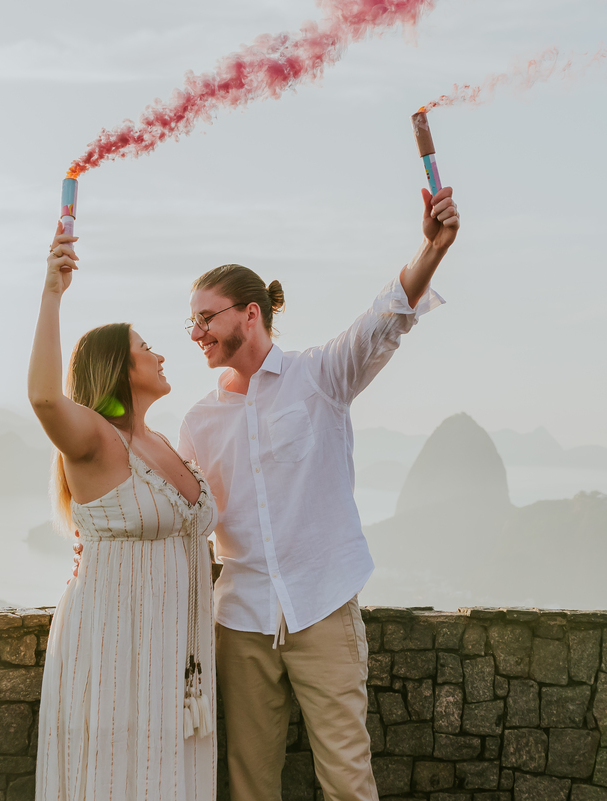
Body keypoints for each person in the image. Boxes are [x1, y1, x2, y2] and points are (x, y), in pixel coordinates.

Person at [177, 186, 460, 800]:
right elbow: (180, 518)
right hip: (241, 622)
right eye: (191, 320)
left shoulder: (320, 376)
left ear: (250, 313)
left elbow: (385, 319)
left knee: (347, 782)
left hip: (324, 607)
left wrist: (431, 249)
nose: (194, 331)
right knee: (251, 787)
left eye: (207, 317)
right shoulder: (198, 421)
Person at [29, 223, 218, 800]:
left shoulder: (161, 441)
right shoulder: (95, 442)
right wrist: (52, 291)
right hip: (117, 646)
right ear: (119, 368)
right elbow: (42, 397)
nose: (161, 354)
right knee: (120, 778)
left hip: (176, 654)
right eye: (145, 348)